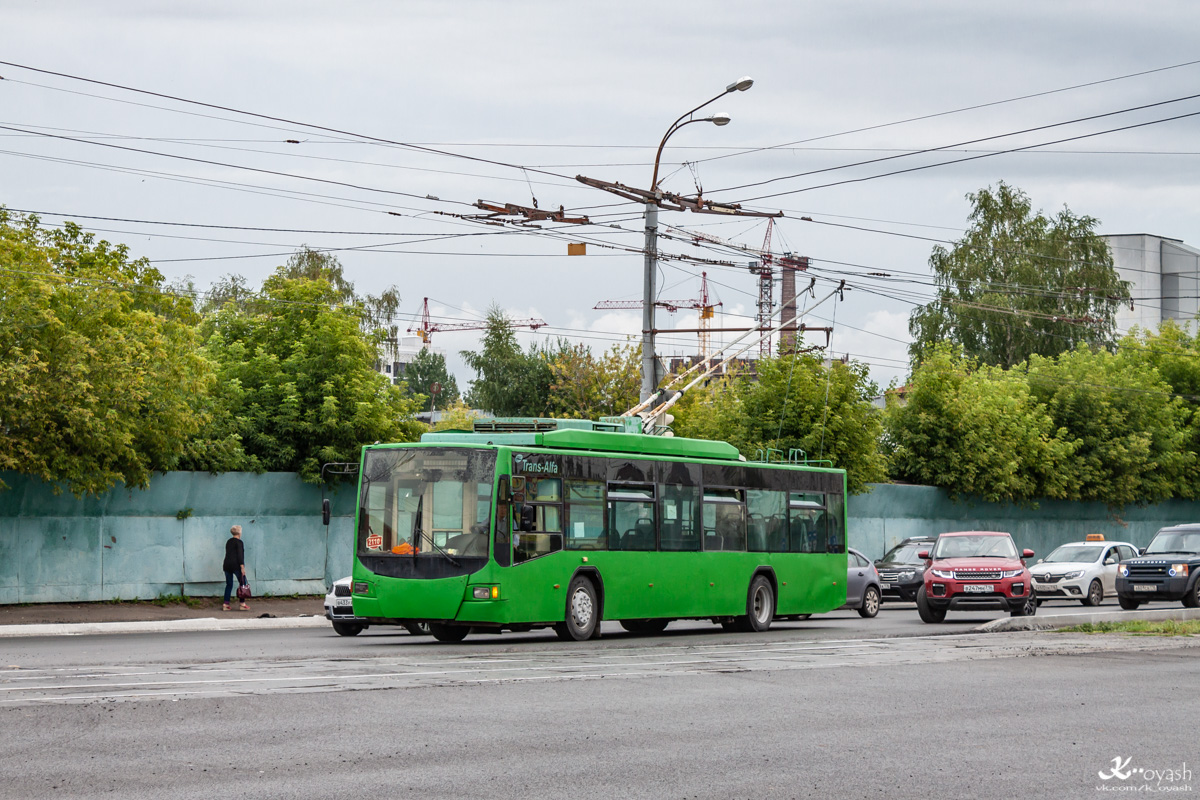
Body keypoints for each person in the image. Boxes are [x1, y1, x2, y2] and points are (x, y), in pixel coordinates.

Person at [223, 524, 249, 611]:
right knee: (243, 583)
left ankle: (225, 604)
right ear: (239, 533)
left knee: (229, 584)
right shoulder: (239, 542)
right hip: (236, 565)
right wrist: (242, 567)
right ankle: (242, 604)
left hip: (226, 565)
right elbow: (240, 555)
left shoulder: (228, 541)